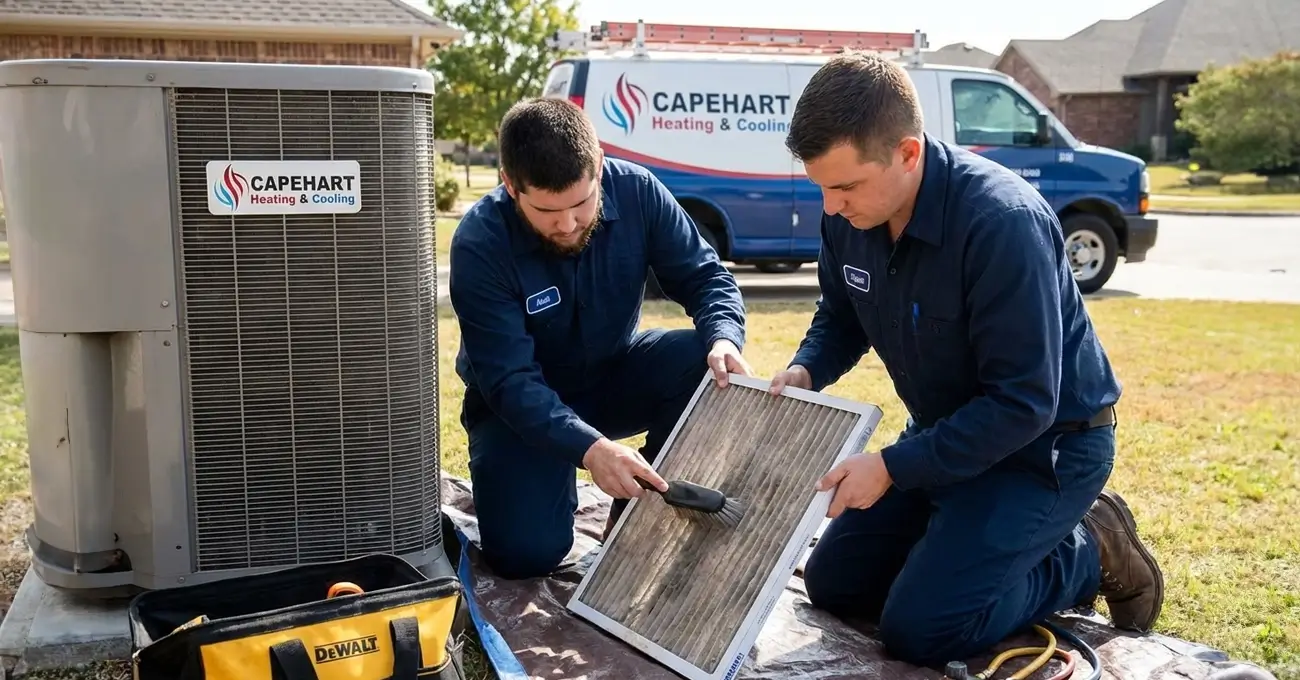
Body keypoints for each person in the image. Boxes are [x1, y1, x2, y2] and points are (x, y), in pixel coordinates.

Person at [765, 53, 1165, 666]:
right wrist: (806, 369)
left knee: (923, 631)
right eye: (820, 186)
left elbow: (1023, 403)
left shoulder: (1003, 223)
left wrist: (893, 467)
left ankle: (1088, 546)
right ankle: (957, 549)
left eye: (844, 186)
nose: (829, 207)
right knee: (833, 585)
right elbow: (841, 317)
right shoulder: (850, 216)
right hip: (946, 432)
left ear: (907, 152)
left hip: (1045, 450)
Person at [448, 97, 751, 580]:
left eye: (581, 204)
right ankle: (546, 480)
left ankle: (638, 513)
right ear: (510, 185)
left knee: (699, 356)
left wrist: (725, 338)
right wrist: (589, 449)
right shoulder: (479, 243)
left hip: (610, 376)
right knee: (527, 555)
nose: (568, 225)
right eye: (547, 211)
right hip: (518, 406)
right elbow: (509, 380)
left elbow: (706, 278)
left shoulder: (639, 193)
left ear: (600, 169)